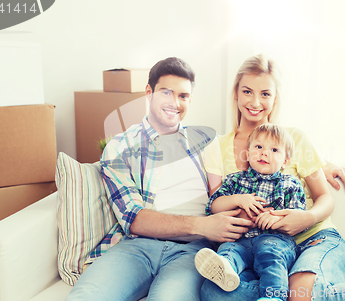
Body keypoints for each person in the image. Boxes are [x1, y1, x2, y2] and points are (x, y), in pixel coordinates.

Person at [200, 54, 345, 301]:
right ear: (236, 93)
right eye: (247, 91)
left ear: (275, 98)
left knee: (301, 293)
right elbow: (217, 210)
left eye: (265, 94)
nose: (256, 101)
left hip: (315, 238)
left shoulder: (294, 140)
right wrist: (245, 209)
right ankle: (280, 294)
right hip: (259, 248)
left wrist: (305, 218)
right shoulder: (217, 148)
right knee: (213, 292)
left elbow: (324, 197)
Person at [66, 57, 254, 301]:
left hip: (192, 252)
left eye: (183, 96)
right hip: (136, 247)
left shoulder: (207, 141)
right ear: (149, 92)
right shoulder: (120, 147)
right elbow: (133, 218)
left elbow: (244, 178)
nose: (175, 103)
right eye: (166, 93)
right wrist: (203, 226)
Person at [195, 124, 306, 301]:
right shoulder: (235, 180)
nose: (264, 153)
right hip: (241, 240)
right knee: (229, 250)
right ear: (247, 153)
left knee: (271, 255)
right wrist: (238, 199)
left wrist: (274, 218)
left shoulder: (290, 184)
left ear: (285, 160)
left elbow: (298, 220)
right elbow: (213, 206)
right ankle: (225, 270)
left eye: (274, 149)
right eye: (258, 147)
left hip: (274, 240)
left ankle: (273, 297)